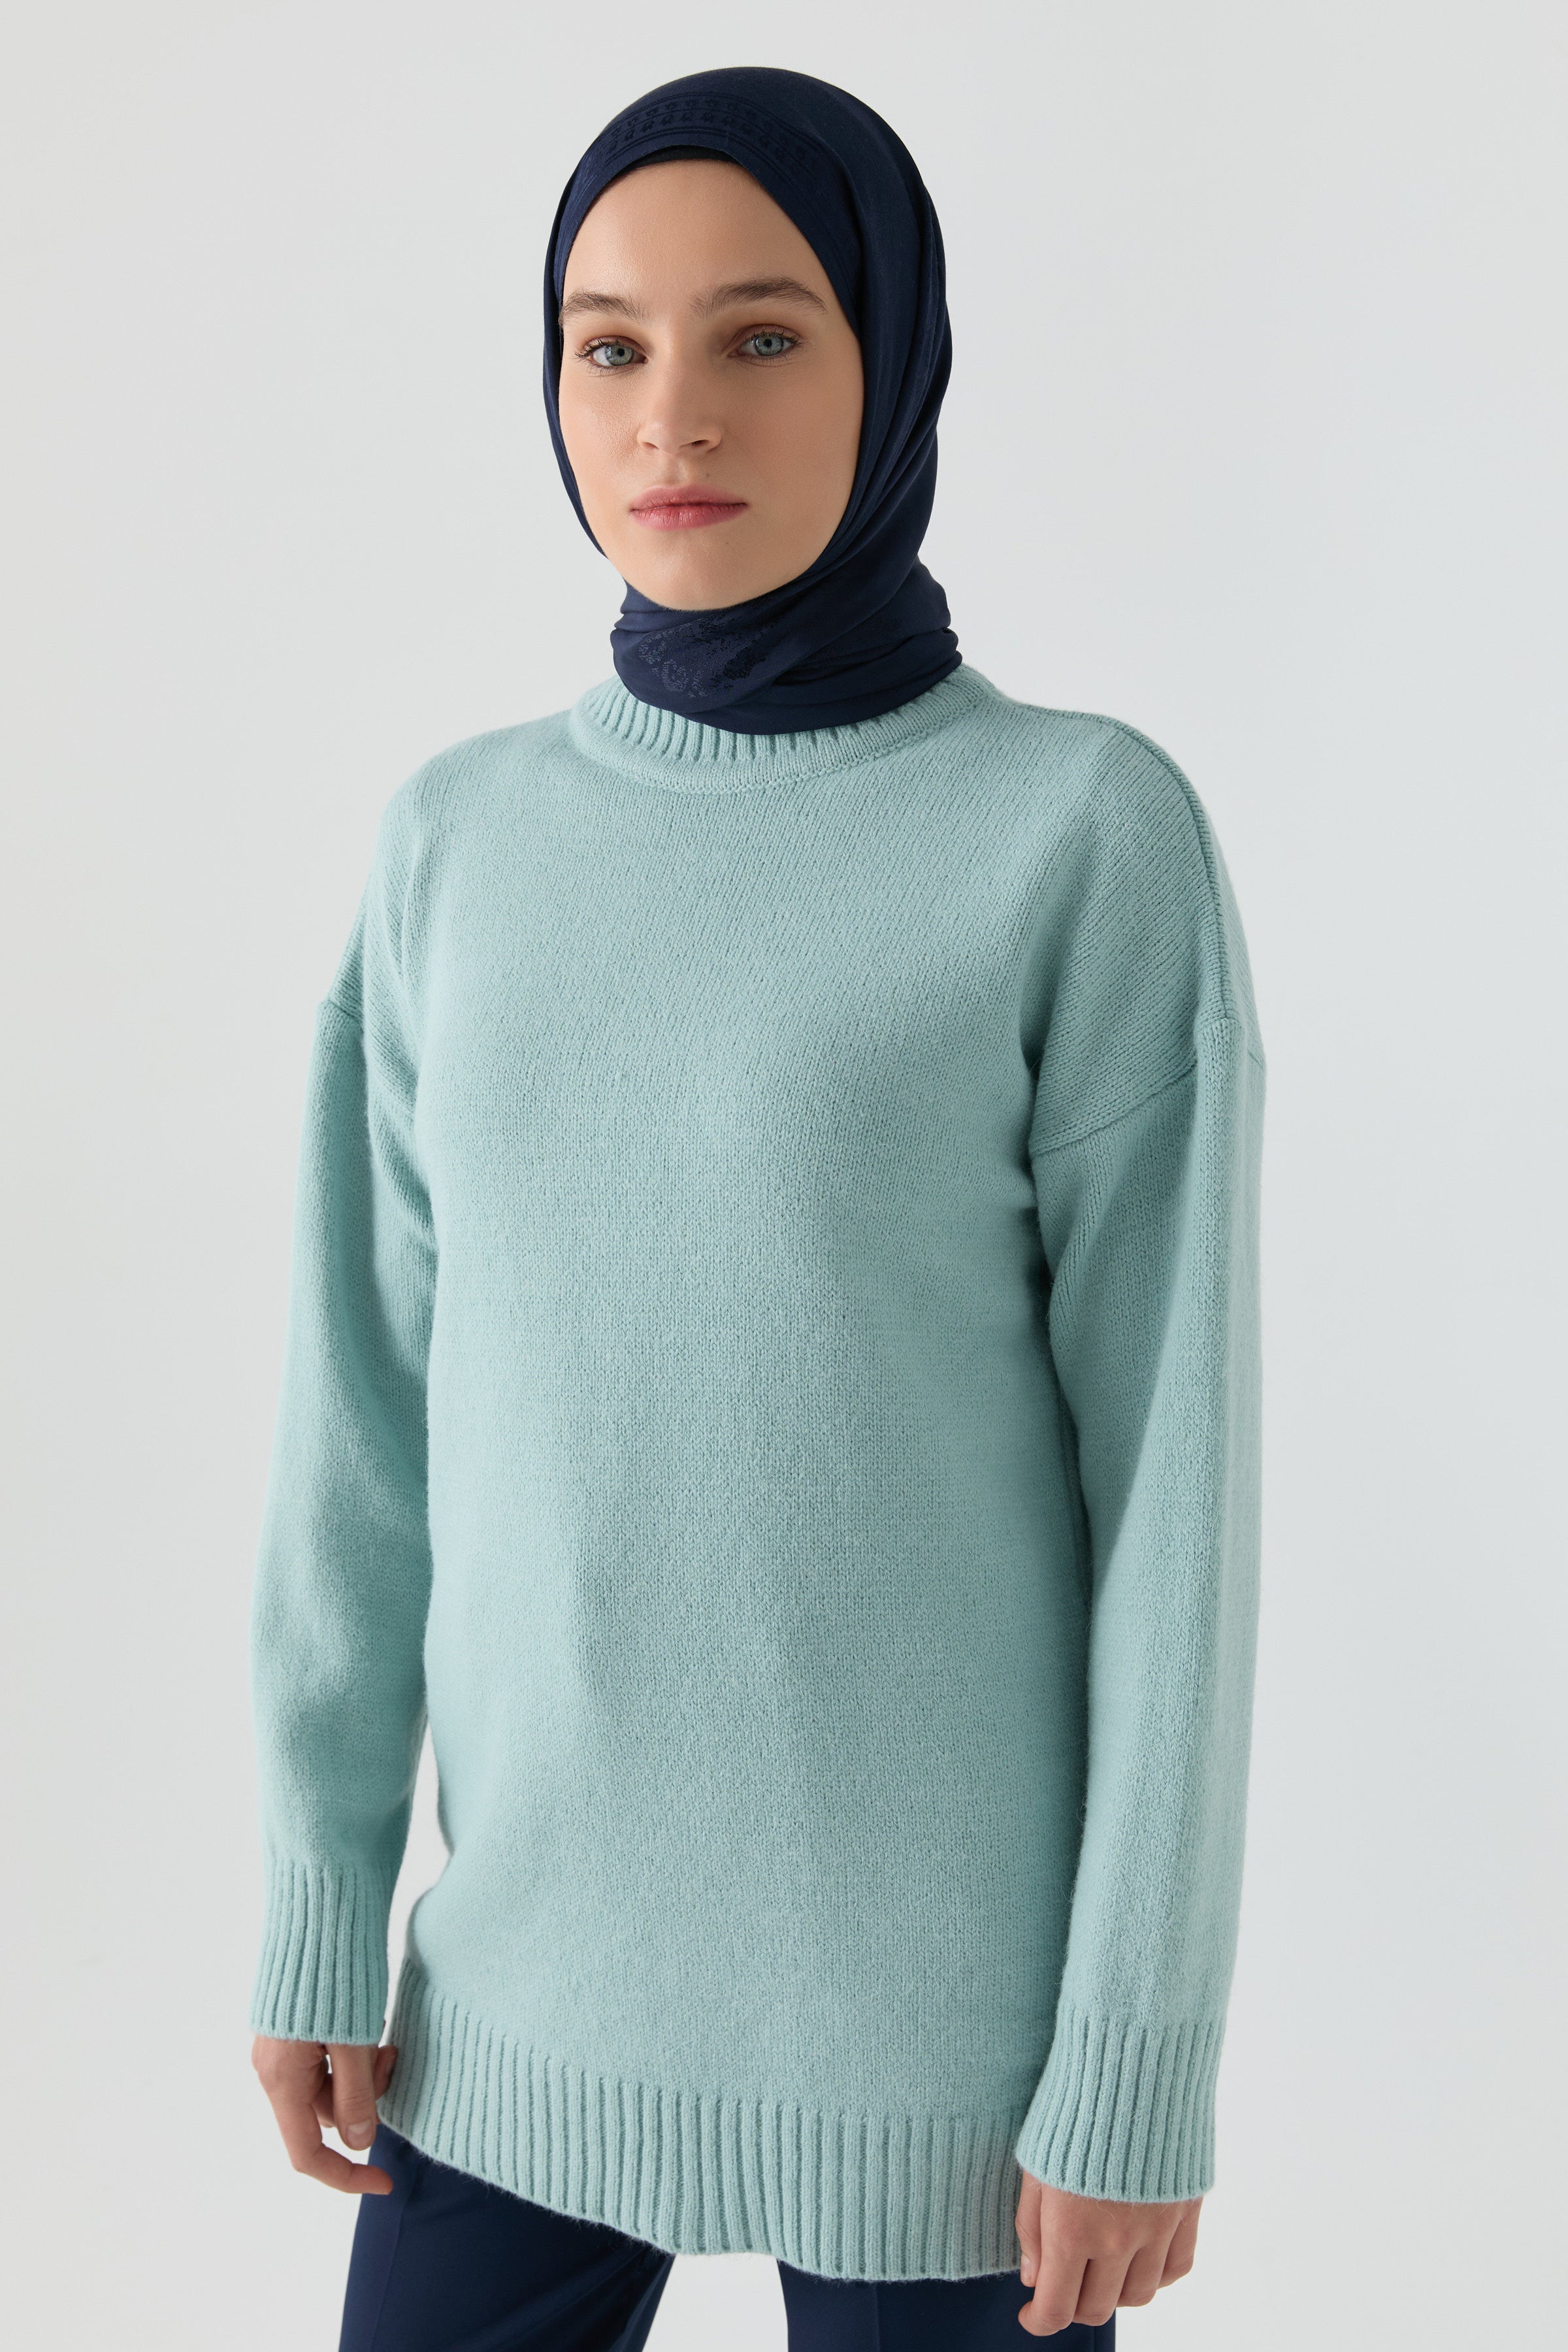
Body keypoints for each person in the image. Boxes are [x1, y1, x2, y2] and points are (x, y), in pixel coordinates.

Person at [247, 65, 1266, 2352]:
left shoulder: (1078, 834)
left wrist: (1135, 2060)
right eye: (606, 343)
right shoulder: (455, 847)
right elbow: (363, 1434)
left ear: (893, 361)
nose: (670, 414)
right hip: (509, 2012)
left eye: (765, 334)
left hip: (953, 2075)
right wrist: (319, 1900)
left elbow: (1177, 1508)